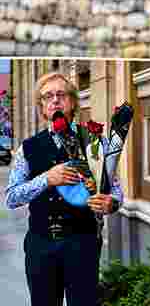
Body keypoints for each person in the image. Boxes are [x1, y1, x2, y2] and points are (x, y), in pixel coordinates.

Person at [5, 72, 122, 306]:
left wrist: (113, 203)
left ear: (73, 102)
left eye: (61, 94)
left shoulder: (95, 141)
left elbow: (115, 188)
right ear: (42, 107)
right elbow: (11, 197)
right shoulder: (27, 148)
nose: (55, 100)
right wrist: (47, 179)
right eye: (48, 96)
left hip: (82, 243)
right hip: (41, 245)